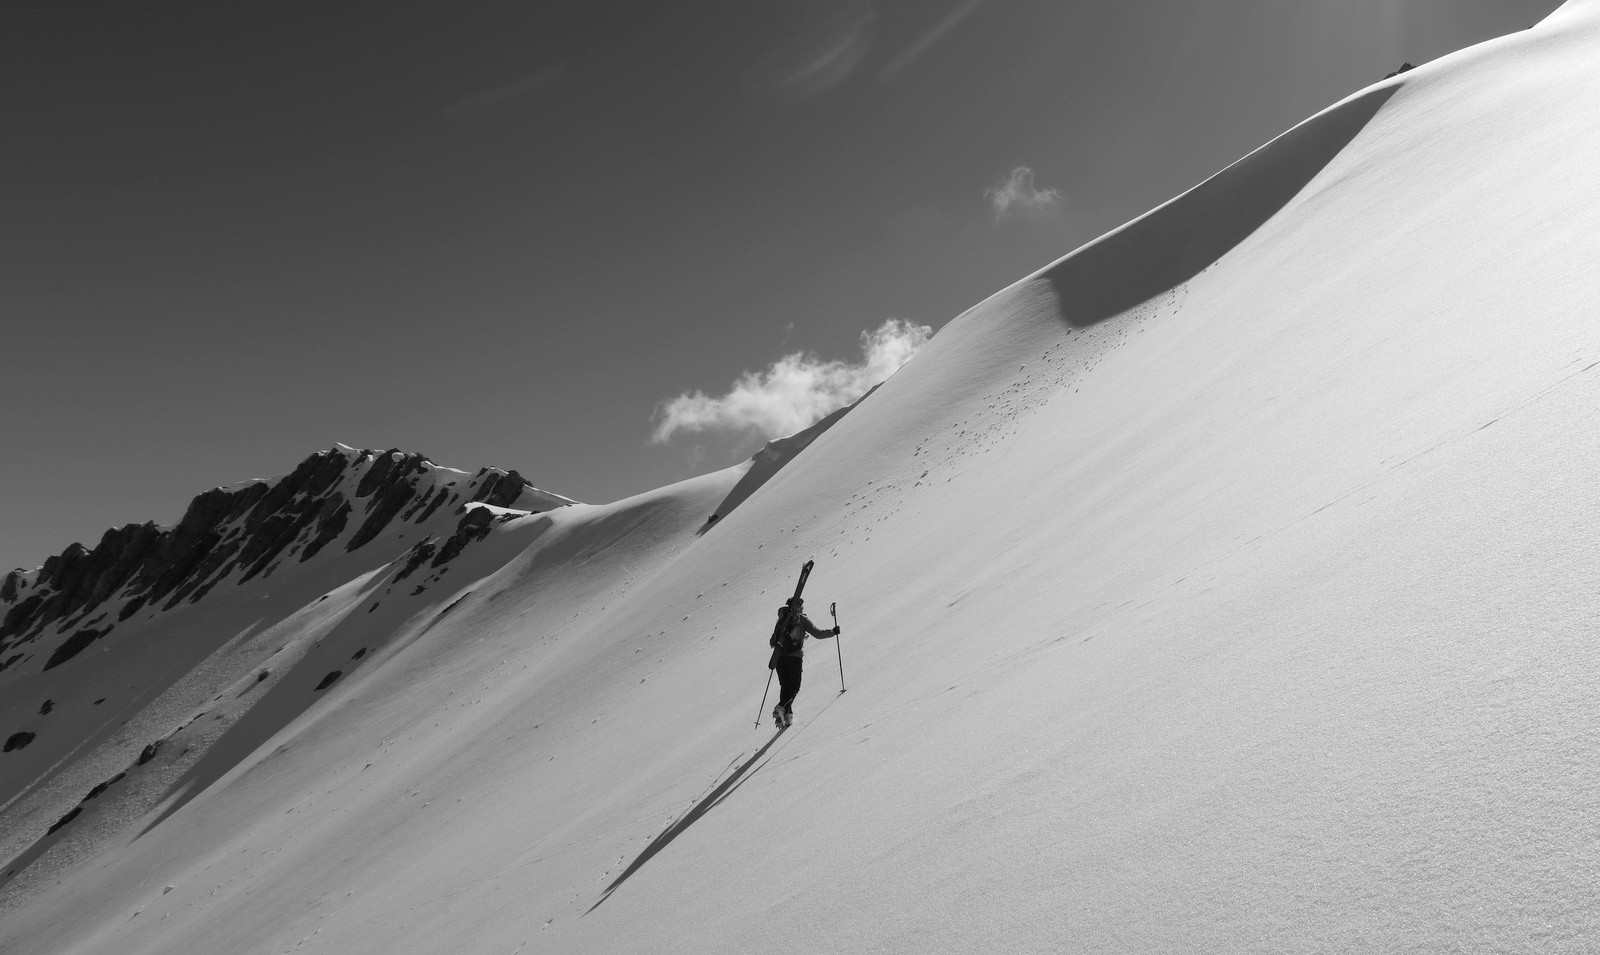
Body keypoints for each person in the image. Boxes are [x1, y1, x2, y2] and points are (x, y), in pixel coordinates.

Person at [768, 596, 839, 728]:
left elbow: (772, 641)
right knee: (794, 687)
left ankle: (787, 715)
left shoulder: (782, 620)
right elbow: (817, 633)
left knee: (785, 686)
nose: (802, 608)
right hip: (794, 657)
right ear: (798, 607)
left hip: (778, 658)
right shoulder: (801, 619)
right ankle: (781, 708)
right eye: (801, 606)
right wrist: (833, 632)